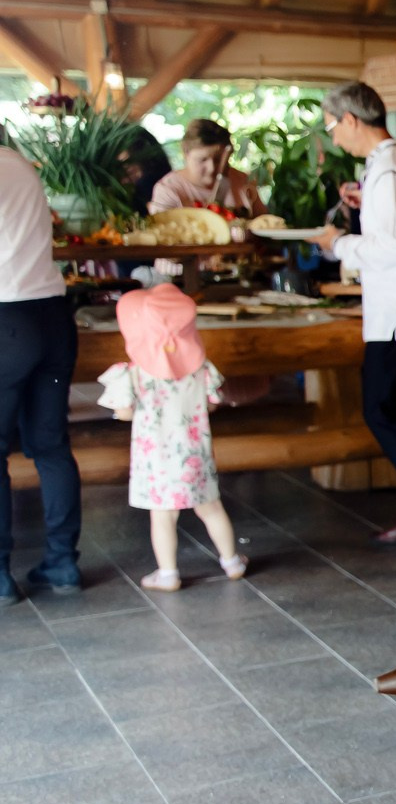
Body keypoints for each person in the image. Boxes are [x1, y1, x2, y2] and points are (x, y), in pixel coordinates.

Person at [309, 82, 396, 556]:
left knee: (384, 412)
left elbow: (395, 247)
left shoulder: (391, 167)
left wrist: (337, 243)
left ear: (350, 119)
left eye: (331, 127)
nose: (333, 137)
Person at [95, 285, 247, 591]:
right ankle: (231, 561)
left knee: (163, 516)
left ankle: (168, 573)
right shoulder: (202, 369)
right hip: (195, 452)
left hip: (157, 459)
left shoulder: (132, 374)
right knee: (211, 507)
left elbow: (123, 412)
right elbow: (211, 403)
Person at [0, 130, 82, 603]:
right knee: (50, 445)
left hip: (7, 321)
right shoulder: (21, 167)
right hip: (51, 318)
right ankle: (62, 563)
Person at [149, 119, 265, 215]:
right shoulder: (168, 190)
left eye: (218, 160)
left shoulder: (242, 181)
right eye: (202, 160)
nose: (211, 168)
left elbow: (266, 225)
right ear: (185, 153)